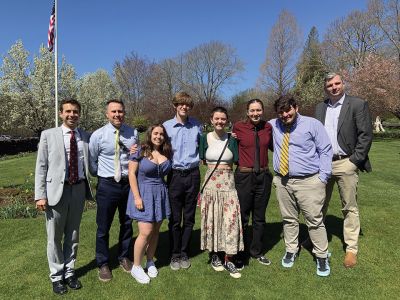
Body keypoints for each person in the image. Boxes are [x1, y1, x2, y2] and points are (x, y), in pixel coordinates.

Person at [270, 95, 333, 277]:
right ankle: (291, 250)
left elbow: (325, 150)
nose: (285, 115)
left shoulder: (312, 124)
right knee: (289, 219)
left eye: (288, 110)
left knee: (314, 220)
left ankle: (321, 255)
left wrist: (323, 177)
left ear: (296, 107)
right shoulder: (273, 125)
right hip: (283, 181)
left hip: (309, 181)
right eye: (281, 112)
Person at [315, 72, 373, 268]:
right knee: (318, 204)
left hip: (346, 162)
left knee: (349, 206)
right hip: (323, 163)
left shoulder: (357, 104)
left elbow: (365, 135)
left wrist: (355, 161)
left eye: (337, 83)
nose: (334, 87)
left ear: (343, 84)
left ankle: (351, 249)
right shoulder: (320, 108)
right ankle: (316, 240)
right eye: (330, 84)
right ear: (326, 87)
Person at [35, 99, 93, 295]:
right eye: (68, 111)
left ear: (79, 114)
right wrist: (40, 195)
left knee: (73, 235)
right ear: (61, 113)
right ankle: (56, 276)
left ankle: (69, 272)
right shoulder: (48, 135)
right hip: (55, 194)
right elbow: (41, 167)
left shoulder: (85, 136)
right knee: (54, 237)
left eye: (75, 111)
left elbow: (94, 161)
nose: (72, 115)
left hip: (78, 190)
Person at [89, 99, 139, 281]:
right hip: (107, 185)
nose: (117, 114)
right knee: (103, 226)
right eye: (114, 111)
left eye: (120, 111)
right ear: (107, 114)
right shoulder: (98, 135)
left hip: (128, 184)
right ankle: (102, 263)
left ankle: (123, 256)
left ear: (124, 113)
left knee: (126, 223)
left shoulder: (132, 133)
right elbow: (92, 162)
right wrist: (103, 176)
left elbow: (136, 156)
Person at [199, 107, 244, 279]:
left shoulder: (232, 139)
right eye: (216, 118)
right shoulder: (204, 138)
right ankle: (215, 255)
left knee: (230, 220)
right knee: (213, 219)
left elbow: (237, 160)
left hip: (228, 186)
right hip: (210, 186)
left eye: (223, 119)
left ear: (227, 121)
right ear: (211, 120)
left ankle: (230, 257)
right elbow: (203, 159)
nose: (219, 122)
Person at [127, 124, 172, 284]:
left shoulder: (166, 152)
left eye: (161, 134)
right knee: (145, 232)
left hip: (160, 194)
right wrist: (137, 197)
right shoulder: (139, 150)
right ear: (150, 134)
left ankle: (150, 260)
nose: (158, 136)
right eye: (155, 133)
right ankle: (136, 267)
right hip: (144, 193)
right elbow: (131, 174)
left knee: (155, 231)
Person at [163, 91, 202, 270]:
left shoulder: (197, 126)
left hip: (193, 174)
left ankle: (184, 252)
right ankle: (174, 254)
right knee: (174, 218)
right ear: (175, 106)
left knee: (189, 218)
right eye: (181, 104)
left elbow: (204, 147)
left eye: (187, 105)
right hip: (175, 175)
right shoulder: (166, 126)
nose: (184, 107)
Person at [232, 99, 273, 267]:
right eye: (252, 110)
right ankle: (239, 254)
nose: (255, 113)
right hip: (244, 176)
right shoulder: (238, 127)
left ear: (262, 111)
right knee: (242, 216)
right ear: (247, 112)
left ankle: (256, 251)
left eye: (258, 110)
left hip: (263, 176)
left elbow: (273, 146)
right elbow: (232, 148)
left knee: (259, 217)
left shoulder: (268, 128)